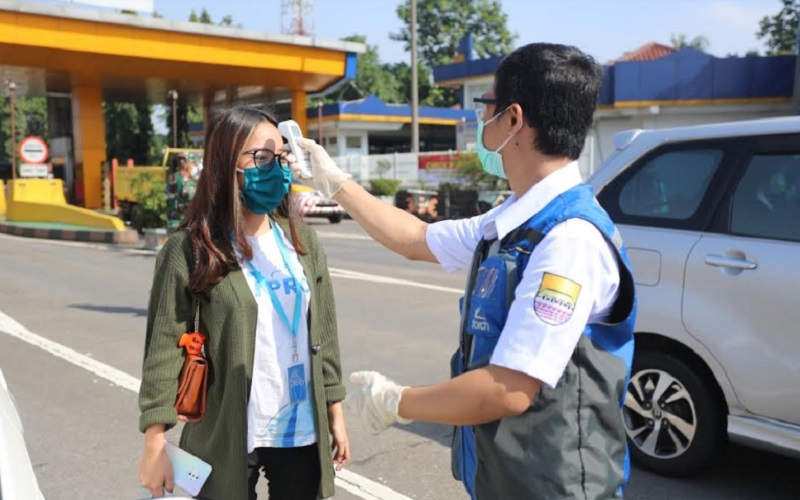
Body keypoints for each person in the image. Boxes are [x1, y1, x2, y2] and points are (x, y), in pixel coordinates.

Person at [296, 43, 637, 499]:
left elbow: (508, 390)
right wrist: (335, 182)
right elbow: (414, 239)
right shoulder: (513, 219)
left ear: (513, 120)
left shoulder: (568, 240)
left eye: (486, 108)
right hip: (509, 478)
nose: (481, 122)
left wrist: (397, 401)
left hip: (555, 486)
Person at [138, 106, 350, 500]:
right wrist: (154, 440)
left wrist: (334, 411)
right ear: (225, 164)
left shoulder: (302, 244)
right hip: (228, 428)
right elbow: (164, 345)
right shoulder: (189, 250)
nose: (277, 168)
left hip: (301, 426)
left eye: (281, 157)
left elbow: (324, 332)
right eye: (261, 157)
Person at [166, 153, 199, 235]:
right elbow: (192, 199)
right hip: (184, 223)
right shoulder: (187, 181)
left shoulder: (173, 178)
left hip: (172, 221)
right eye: (193, 163)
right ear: (188, 164)